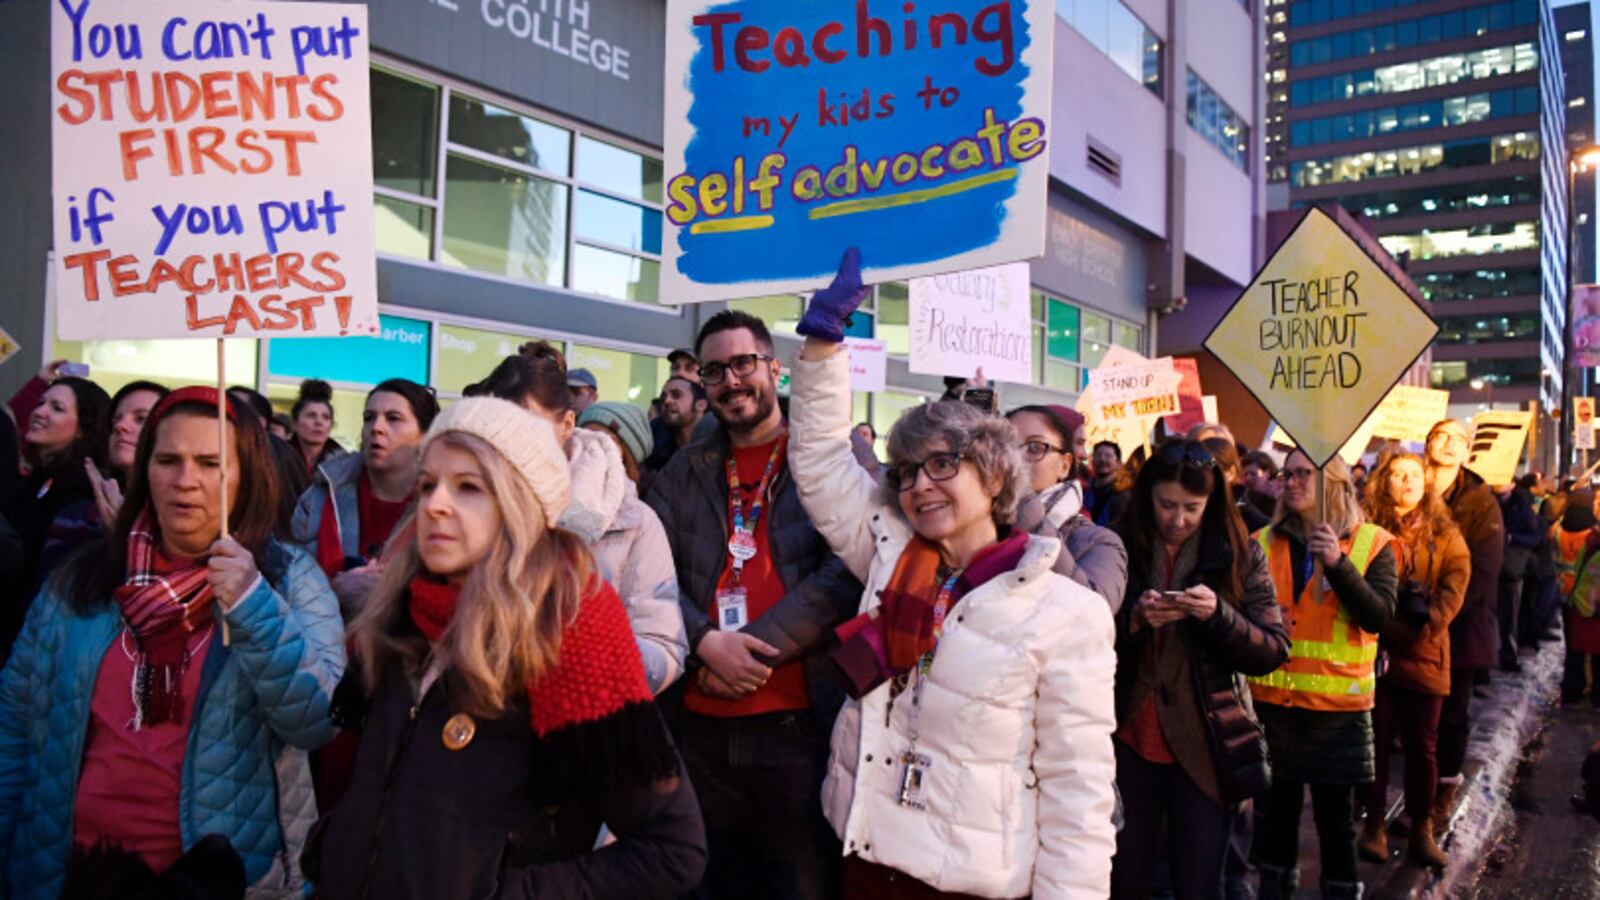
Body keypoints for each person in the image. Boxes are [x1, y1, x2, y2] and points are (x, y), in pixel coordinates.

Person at [789, 249, 1117, 898]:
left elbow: (1078, 797)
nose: (919, 486)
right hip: (863, 862)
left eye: (942, 466)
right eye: (907, 471)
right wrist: (825, 342)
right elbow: (823, 461)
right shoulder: (889, 555)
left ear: (993, 475)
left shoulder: (1067, 613)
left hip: (970, 886)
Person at [305, 398, 706, 899]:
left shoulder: (570, 637)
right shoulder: (400, 616)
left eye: (468, 487)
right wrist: (340, 845)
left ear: (521, 504)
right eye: (428, 484)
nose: (434, 505)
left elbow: (671, 850)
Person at [0, 386, 345, 898]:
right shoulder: (84, 578)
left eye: (210, 463)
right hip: (67, 869)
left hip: (214, 878)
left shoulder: (288, 580)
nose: (186, 481)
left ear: (247, 474)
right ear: (144, 470)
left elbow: (316, 721)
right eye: (168, 460)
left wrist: (254, 607)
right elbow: (16, 724)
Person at [644, 310, 862, 900]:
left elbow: (849, 569)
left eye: (743, 364)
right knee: (701, 882)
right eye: (714, 371)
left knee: (797, 884)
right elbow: (649, 576)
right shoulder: (682, 471)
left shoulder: (824, 458)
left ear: (772, 367)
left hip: (797, 726)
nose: (731, 381)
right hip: (697, 728)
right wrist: (707, 645)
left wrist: (754, 650)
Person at [1106, 438, 1288, 900]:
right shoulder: (1120, 543)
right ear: (1148, 495)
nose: (1178, 519)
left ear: (1213, 503)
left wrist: (1218, 616)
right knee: (1126, 878)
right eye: (1167, 504)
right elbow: (1081, 632)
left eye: (1192, 507)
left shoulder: (1241, 553)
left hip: (1207, 743)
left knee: (1199, 882)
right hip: (1127, 736)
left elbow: (1272, 649)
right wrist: (1131, 618)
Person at [473, 346, 687, 696]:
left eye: (526, 425)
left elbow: (665, 649)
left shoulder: (631, 520)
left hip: (576, 722)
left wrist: (581, 646)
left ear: (567, 424)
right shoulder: (459, 503)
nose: (510, 443)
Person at [1251, 452, 1397, 900]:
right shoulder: (1262, 541)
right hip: (1273, 708)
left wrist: (1338, 564)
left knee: (1336, 823)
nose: (1290, 483)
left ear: (1332, 484)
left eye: (1302, 475)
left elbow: (1379, 618)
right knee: (1275, 818)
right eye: (1286, 474)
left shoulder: (1373, 542)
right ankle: (1275, 890)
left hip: (1339, 713)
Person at [1358, 451, 1469, 870]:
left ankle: (1422, 828)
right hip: (1376, 653)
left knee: (1423, 747)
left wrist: (1422, 627)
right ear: (1383, 481)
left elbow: (1453, 588)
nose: (1407, 481)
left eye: (1415, 475)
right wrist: (1384, 626)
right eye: (1399, 474)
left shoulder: (1446, 533)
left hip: (1424, 654)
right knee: (1376, 743)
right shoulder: (1367, 528)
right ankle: (1374, 827)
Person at [292, 379, 440, 615]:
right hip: (327, 641)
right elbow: (289, 581)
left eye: (393, 418)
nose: (376, 427)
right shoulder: (320, 496)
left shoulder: (442, 506)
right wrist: (334, 590)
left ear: (425, 435)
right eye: (369, 417)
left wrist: (391, 594)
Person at [1422, 418, 1503, 831]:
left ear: (1469, 450)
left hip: (1460, 627)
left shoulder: (1480, 501)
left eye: (1460, 439)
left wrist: (1439, 613)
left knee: (1452, 715)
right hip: (1406, 625)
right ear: (1428, 443)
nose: (1451, 444)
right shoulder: (1408, 484)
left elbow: (1484, 572)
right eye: (1442, 436)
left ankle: (1441, 796)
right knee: (1408, 718)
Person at [2, 373, 111, 651]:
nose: (39, 412)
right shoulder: (34, 481)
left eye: (57, 408)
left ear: (83, 429)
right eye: (40, 403)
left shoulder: (83, 492)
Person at [39, 381, 170, 583]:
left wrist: (127, 538)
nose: (120, 426)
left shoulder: (183, 521)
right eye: (116, 419)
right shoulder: (77, 517)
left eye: (141, 419)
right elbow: (50, 594)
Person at [1007, 403, 1129, 609]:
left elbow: (1094, 615)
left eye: (1035, 447)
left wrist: (1026, 508)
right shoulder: (973, 525)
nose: (1016, 458)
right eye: (1007, 447)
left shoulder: (1100, 543)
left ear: (1064, 465)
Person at [1551, 490, 1600, 706]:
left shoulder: (1558, 528)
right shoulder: (1591, 535)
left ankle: (1573, 691)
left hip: (1568, 592)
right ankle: (1594, 693)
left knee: (1574, 648)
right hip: (1593, 601)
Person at [1498, 474, 1543, 672]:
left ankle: (1508, 656)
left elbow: (1535, 537)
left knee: (1509, 613)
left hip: (1511, 568)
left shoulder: (1521, 505)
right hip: (1490, 566)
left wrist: (1511, 537)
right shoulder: (1487, 502)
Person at [644, 375, 709, 480]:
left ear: (701, 405)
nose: (667, 401)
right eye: (663, 397)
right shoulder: (653, 448)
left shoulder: (719, 447)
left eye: (676, 395)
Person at [1202, 437, 1271, 533]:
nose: (1204, 475)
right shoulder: (1189, 503)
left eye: (1212, 469)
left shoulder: (1253, 520)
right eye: (1199, 467)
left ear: (1231, 472)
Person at [289, 379, 343, 473]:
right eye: (311, 416)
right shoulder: (277, 457)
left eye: (326, 417)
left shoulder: (343, 463)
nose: (319, 422)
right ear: (294, 423)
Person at [1086, 440, 1132, 527]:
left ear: (1118, 463)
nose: (1102, 459)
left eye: (1108, 456)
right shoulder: (1084, 490)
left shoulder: (1123, 495)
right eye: (1098, 455)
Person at [1240, 451, 1279, 522]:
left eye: (1253, 474)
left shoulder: (1280, 496)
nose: (1248, 479)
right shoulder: (1243, 499)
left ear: (1267, 473)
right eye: (1245, 474)